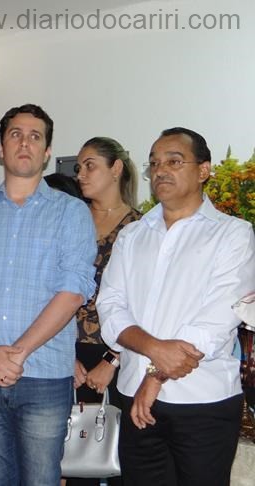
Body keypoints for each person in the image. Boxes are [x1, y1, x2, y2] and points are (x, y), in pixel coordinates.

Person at [0, 104, 97, 486]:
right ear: (1, 149)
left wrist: (18, 352)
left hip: (43, 377)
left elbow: (74, 290)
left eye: (35, 136)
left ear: (47, 152)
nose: (24, 142)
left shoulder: (71, 213)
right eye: (15, 134)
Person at [97, 127, 255, 486]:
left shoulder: (233, 234)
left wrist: (156, 376)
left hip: (203, 401)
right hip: (133, 395)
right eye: (154, 163)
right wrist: (154, 350)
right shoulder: (133, 235)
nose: (161, 171)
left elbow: (216, 322)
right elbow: (110, 306)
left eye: (174, 161)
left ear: (204, 170)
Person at [66, 137, 141, 486]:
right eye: (78, 167)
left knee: (120, 459)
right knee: (75, 461)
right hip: (65, 353)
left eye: (90, 165)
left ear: (116, 169)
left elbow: (146, 305)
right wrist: (64, 355)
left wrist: (112, 360)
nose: (80, 174)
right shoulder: (70, 221)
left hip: (121, 354)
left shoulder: (141, 229)